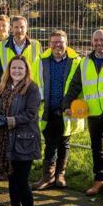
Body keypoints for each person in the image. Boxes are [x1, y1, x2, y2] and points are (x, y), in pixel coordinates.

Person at [62, 29, 103, 202]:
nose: (99, 43)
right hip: (93, 112)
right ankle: (99, 180)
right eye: (96, 40)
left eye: (102, 40)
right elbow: (75, 85)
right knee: (96, 149)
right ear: (92, 42)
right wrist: (66, 104)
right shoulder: (84, 62)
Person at [0, 55, 41, 206]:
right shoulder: (3, 88)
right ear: (9, 70)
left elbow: (30, 114)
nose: (17, 71)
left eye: (20, 68)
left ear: (26, 71)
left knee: (22, 181)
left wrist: (8, 120)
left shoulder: (32, 89)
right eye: (14, 68)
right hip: (5, 140)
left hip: (24, 141)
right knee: (11, 178)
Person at [31, 30, 85, 190]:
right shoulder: (40, 61)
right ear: (49, 44)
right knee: (50, 143)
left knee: (64, 142)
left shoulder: (76, 62)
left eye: (60, 42)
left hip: (67, 110)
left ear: (66, 43)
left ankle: (60, 175)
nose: (57, 45)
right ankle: (48, 177)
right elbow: (34, 84)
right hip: (47, 109)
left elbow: (81, 87)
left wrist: (73, 105)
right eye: (54, 42)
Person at [0, 16, 42, 90]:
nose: (19, 30)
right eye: (16, 27)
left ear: (26, 28)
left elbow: (41, 70)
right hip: (9, 90)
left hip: (30, 89)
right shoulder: (1, 47)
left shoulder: (36, 45)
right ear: (11, 28)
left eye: (22, 27)